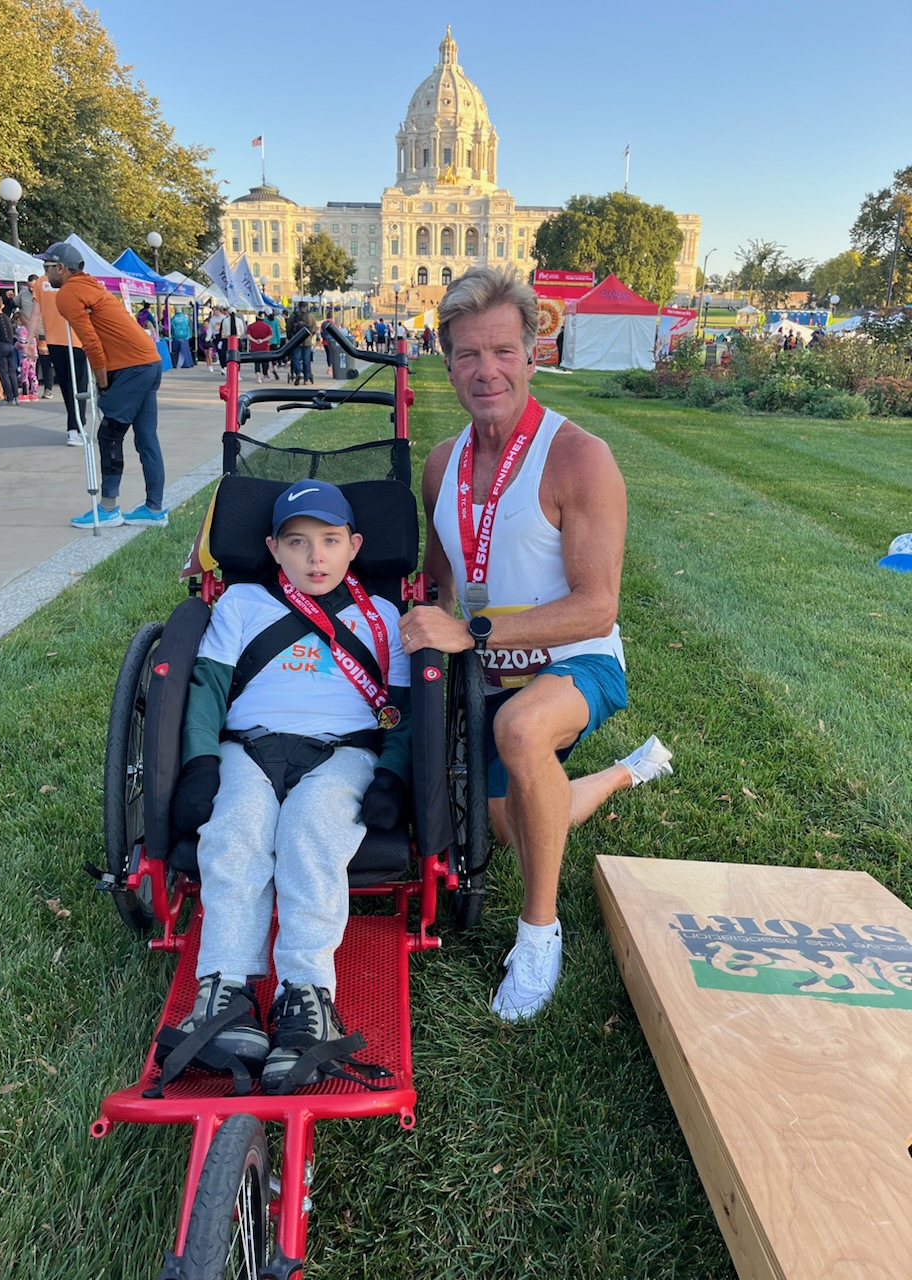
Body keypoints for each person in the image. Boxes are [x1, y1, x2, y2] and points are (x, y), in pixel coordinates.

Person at [399, 266, 673, 1023]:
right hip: (488, 670)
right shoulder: (441, 464)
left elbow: (596, 606)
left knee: (521, 733)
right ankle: (625, 772)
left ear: (531, 353)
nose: (486, 370)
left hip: (576, 660)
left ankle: (539, 934)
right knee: (515, 822)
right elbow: (440, 583)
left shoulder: (579, 457)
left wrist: (473, 631)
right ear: (446, 361)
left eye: (502, 351)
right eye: (467, 354)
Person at [169, 480, 411, 1092]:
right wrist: (200, 764)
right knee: (236, 831)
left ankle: (307, 996)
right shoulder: (243, 603)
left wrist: (392, 776)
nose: (315, 557)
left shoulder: (383, 618)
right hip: (247, 745)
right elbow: (206, 690)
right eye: (297, 542)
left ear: (355, 546)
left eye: (330, 541)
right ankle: (225, 993)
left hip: (344, 751)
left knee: (311, 833)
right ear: (273, 549)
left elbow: (404, 714)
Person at [42, 241, 168, 528]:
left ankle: (108, 508)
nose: (44, 273)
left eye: (47, 266)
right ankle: (154, 508)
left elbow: (90, 342)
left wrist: (103, 383)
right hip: (150, 361)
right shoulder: (92, 286)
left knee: (109, 434)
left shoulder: (68, 294)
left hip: (131, 367)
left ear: (61, 268)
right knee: (146, 437)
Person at [29, 265, 88, 442]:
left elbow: (35, 314)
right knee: (79, 385)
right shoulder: (71, 279)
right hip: (76, 339)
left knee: (66, 385)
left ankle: (74, 428)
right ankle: (77, 426)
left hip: (54, 340)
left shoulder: (41, 283)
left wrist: (29, 341)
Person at [287, 302, 316, 384]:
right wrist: (310, 335)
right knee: (306, 360)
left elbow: (288, 328)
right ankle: (306, 378)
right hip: (307, 341)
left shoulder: (293, 316)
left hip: (296, 341)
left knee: (296, 358)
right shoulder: (310, 316)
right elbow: (314, 328)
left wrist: (290, 338)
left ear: (298, 307)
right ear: (306, 307)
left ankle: (298, 373)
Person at [246, 311, 274, 382]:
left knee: (257, 362)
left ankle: (258, 377)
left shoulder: (251, 326)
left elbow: (248, 335)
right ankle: (265, 376)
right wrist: (263, 340)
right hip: (265, 346)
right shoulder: (267, 326)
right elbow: (270, 335)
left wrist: (255, 341)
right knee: (265, 362)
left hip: (254, 346)